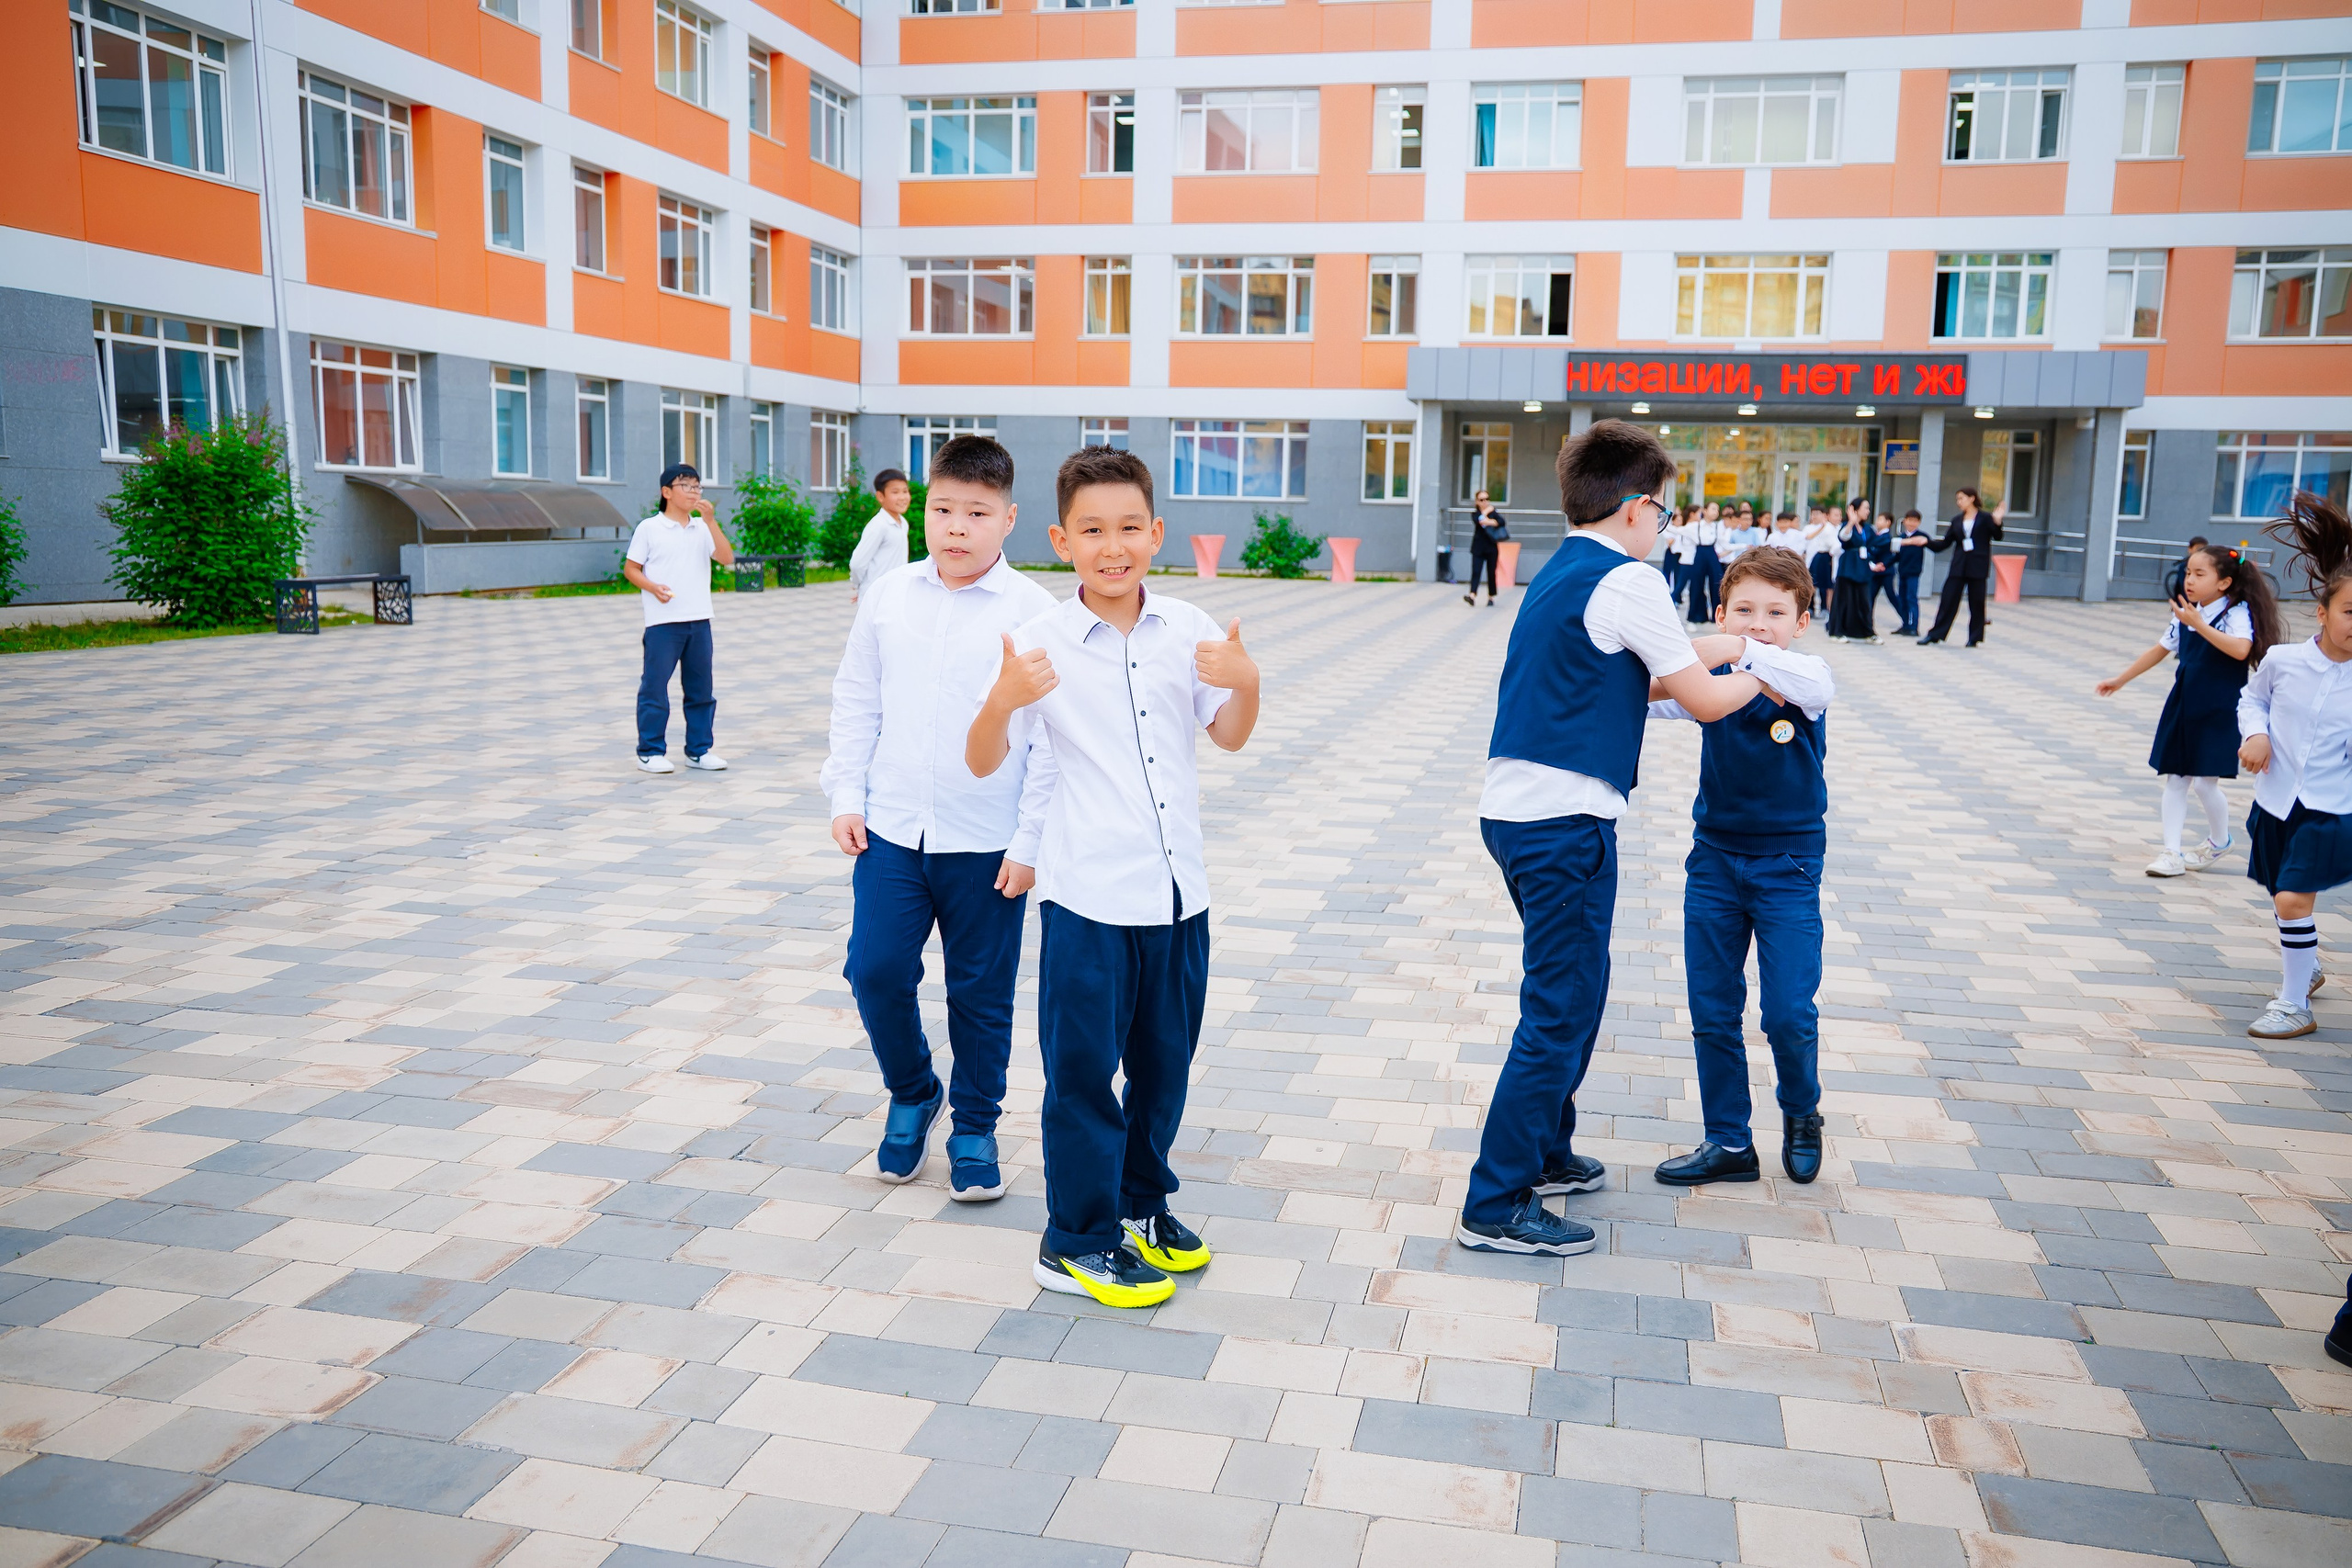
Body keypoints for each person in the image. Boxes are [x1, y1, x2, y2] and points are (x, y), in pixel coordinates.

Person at [1463, 421, 1771, 1256]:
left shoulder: (1562, 571)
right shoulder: (1630, 580)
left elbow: (1659, 665)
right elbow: (1702, 698)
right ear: (1637, 509)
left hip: (1521, 814)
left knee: (1575, 993)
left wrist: (1733, 642)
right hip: (1562, 826)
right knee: (1559, 1009)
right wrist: (1771, 671)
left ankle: (1546, 1149)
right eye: (1665, 515)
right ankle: (1495, 1201)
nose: (1666, 529)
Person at [965, 445, 1261, 1306]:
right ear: (1062, 539)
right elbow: (985, 761)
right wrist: (1000, 700)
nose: (1113, 545)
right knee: (1084, 1075)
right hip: (1089, 897)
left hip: (1179, 895)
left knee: (1165, 1066)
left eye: (1129, 527)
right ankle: (1076, 1240)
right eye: (1092, 530)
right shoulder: (1040, 645)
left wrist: (1248, 683)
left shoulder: (1192, 630)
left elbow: (1230, 734)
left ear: (1155, 531)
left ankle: (1140, 1207)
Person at [823, 435, 1057, 1201]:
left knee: (981, 995)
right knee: (875, 969)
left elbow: (1053, 740)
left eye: (977, 513)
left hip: (987, 842)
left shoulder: (1035, 613)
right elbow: (857, 698)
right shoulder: (891, 595)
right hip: (891, 829)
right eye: (943, 509)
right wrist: (846, 795)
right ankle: (914, 1088)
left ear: (1009, 518)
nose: (956, 526)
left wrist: (1029, 843)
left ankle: (975, 1126)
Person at [1647, 547, 1836, 1188]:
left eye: (1776, 611)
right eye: (1745, 611)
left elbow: (1811, 683)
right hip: (1716, 862)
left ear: (1801, 621)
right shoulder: (1719, 683)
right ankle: (1729, 1140)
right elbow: (1652, 696)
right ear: (1722, 609)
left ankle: (1801, 1108)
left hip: (1787, 864)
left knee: (1787, 1009)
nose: (1759, 623)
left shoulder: (1806, 678)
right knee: (1712, 1006)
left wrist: (1726, 647)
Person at [2095, 544, 2281, 878]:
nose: (2189, 580)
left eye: (2199, 574)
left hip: (2221, 709)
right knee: (2177, 778)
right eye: (2187, 573)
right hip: (2184, 703)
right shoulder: (2186, 612)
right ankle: (2171, 852)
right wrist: (2120, 679)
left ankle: (2220, 841)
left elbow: (2241, 650)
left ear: (2223, 583)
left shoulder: (2233, 613)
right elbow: (2160, 649)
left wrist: (2199, 624)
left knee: (2205, 785)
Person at [2238, 492, 2352, 1040]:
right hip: (2276, 800)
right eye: (2351, 612)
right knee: (2281, 894)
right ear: (2323, 611)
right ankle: (2305, 966)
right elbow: (2251, 699)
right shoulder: (2283, 662)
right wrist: (2256, 735)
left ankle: (2292, 1005)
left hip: (2334, 808)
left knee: (2290, 898)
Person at [624, 463, 735, 774]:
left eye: (697, 486)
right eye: (686, 485)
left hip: (700, 620)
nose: (693, 491)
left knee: (701, 689)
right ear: (666, 492)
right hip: (662, 623)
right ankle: (650, 751)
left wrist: (710, 521)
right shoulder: (650, 528)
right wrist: (652, 586)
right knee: (655, 687)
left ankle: (699, 750)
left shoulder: (702, 527)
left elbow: (726, 558)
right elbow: (631, 569)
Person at [1917, 486, 2007, 647]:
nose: (1959, 502)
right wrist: (1926, 542)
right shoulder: (1957, 520)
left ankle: (1974, 637)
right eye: (1957, 499)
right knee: (1948, 599)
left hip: (1977, 566)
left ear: (1972, 498)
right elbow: (1945, 543)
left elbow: (1998, 536)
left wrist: (1998, 521)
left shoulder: (1986, 518)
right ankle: (1935, 634)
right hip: (1959, 566)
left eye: (1961, 498)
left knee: (1977, 602)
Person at [850, 468, 915, 603]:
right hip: (876, 595)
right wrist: (860, 587)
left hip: (895, 592)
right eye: (895, 492)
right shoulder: (878, 526)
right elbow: (857, 563)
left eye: (905, 491)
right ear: (880, 497)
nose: (903, 497)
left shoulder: (903, 523)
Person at [1826, 503, 1883, 642]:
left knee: (1864, 601)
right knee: (1843, 600)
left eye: (1869, 508)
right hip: (1848, 567)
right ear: (1855, 510)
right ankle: (1837, 632)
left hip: (1863, 567)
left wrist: (1873, 565)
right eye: (1865, 508)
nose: (1868, 511)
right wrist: (1852, 522)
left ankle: (1867, 632)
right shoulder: (1847, 525)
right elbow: (1843, 538)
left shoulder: (1868, 528)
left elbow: (1869, 548)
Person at [1892, 509, 1932, 637]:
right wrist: (1884, 564)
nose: (1912, 523)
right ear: (1905, 521)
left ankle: (1914, 627)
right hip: (1902, 572)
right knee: (1902, 598)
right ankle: (1905, 625)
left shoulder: (1922, 537)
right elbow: (1895, 556)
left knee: (1911, 598)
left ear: (1919, 522)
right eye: (1909, 520)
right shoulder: (1901, 538)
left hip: (1913, 573)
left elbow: (1933, 546)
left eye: (1915, 521)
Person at [1685, 504, 1727, 624]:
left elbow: (1725, 544)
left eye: (1717, 510)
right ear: (1705, 510)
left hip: (1712, 554)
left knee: (1716, 583)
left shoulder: (1717, 526)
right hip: (1700, 554)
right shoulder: (1695, 525)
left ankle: (1717, 616)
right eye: (1713, 509)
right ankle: (1697, 616)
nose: (1716, 512)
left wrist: (1743, 546)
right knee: (1697, 584)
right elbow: (1678, 530)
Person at [1465, 491, 1508, 607]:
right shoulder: (1475, 513)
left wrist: (1488, 521)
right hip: (1478, 547)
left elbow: (1502, 522)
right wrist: (1487, 514)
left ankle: (1491, 597)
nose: (1485, 502)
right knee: (1476, 571)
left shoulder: (1493, 512)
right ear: (1477, 502)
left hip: (1491, 547)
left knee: (1491, 573)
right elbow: (1478, 521)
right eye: (1482, 500)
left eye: (1487, 499)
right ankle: (1472, 595)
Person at [1801, 505, 1840, 619]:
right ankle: (1813, 608)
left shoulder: (1835, 528)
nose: (1838, 518)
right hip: (1821, 557)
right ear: (1827, 516)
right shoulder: (1826, 528)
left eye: (1839, 515)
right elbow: (1835, 545)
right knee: (1817, 584)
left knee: (1826, 584)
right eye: (1835, 515)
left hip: (1827, 557)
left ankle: (1824, 608)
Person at [2165, 536, 2210, 603]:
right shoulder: (2184, 566)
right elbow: (2180, 586)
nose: (2201, 552)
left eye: (2204, 549)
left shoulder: (2208, 566)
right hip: (2185, 602)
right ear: (2190, 549)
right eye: (2198, 548)